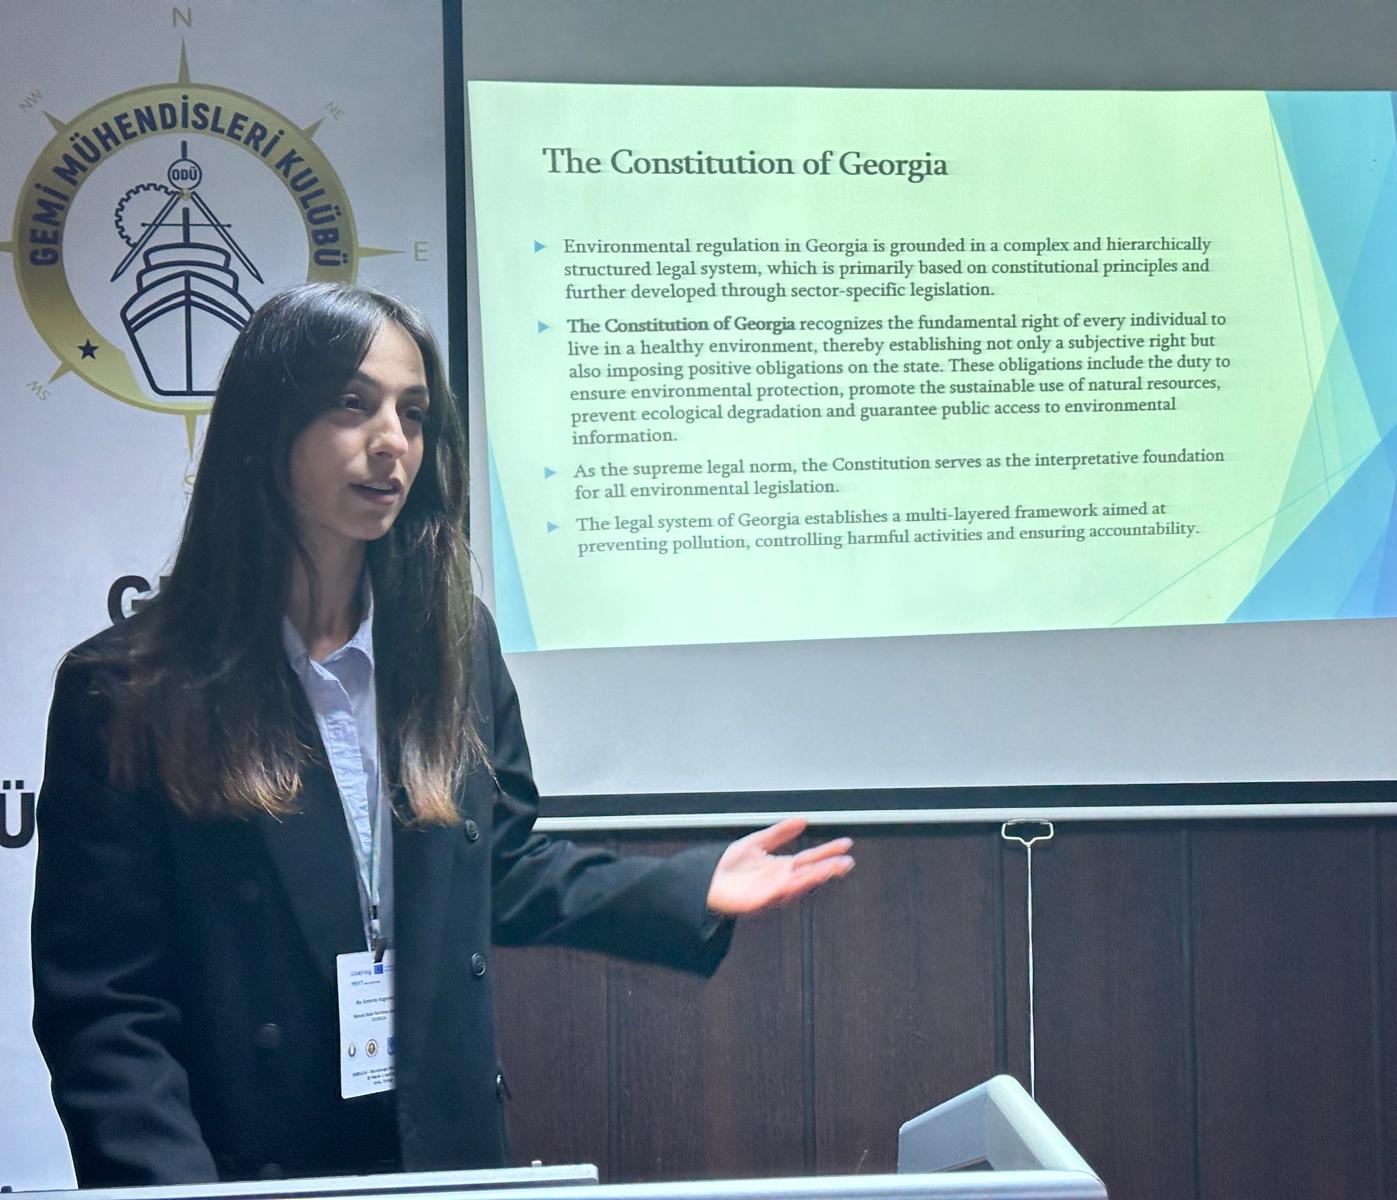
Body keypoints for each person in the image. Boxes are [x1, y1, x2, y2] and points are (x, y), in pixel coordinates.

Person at [31, 283, 854, 1188]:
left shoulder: (452, 644)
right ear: (267, 427)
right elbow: (107, 1010)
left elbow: (494, 866)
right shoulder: (129, 689)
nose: (392, 441)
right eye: (353, 404)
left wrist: (684, 887)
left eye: (413, 413)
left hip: (444, 1154)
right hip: (249, 1169)